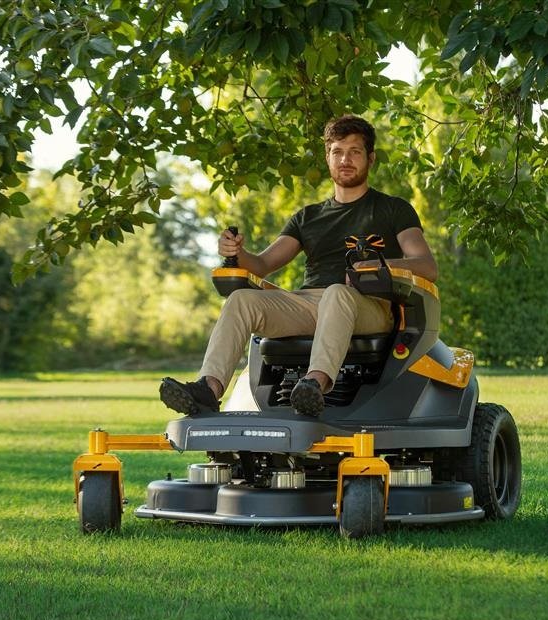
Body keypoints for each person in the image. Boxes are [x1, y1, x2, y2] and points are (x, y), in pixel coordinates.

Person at [160, 114, 437, 418]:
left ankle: (313, 385)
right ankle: (208, 389)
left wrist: (377, 263)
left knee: (336, 293)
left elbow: (426, 266)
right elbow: (262, 264)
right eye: (337, 152)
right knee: (241, 300)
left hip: (367, 305)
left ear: (370, 159)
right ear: (327, 158)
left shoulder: (393, 209)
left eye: (354, 152)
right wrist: (237, 252)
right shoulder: (308, 217)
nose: (345, 160)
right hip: (309, 305)